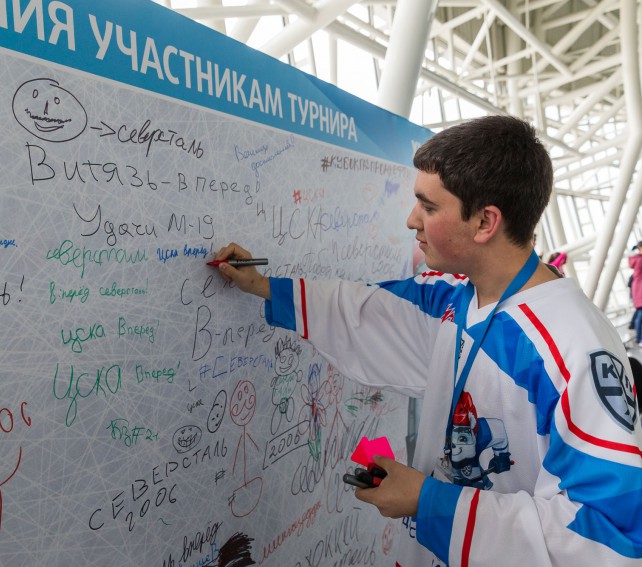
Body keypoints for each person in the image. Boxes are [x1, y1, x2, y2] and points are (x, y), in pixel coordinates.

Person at [213, 115, 642, 566]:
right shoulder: (458, 297)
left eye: (429, 207)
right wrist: (265, 287)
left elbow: (608, 536)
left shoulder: (572, 349)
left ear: (485, 222)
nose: (411, 220)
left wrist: (428, 500)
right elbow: (366, 310)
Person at [629, 242, 642, 345]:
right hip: (640, 292)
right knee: (640, 316)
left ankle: (639, 339)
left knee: (639, 315)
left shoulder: (637, 259)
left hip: (637, 292)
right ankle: (639, 339)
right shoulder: (640, 260)